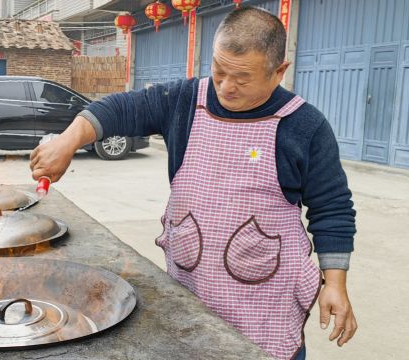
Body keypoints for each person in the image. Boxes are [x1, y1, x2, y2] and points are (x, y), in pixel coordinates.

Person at [30, 6, 357, 360]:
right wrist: (67, 140)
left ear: (279, 71)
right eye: (218, 71)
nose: (226, 88)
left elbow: (332, 206)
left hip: (265, 299)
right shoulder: (184, 101)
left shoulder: (304, 125)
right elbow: (119, 109)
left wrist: (335, 282)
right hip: (191, 282)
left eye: (242, 78)